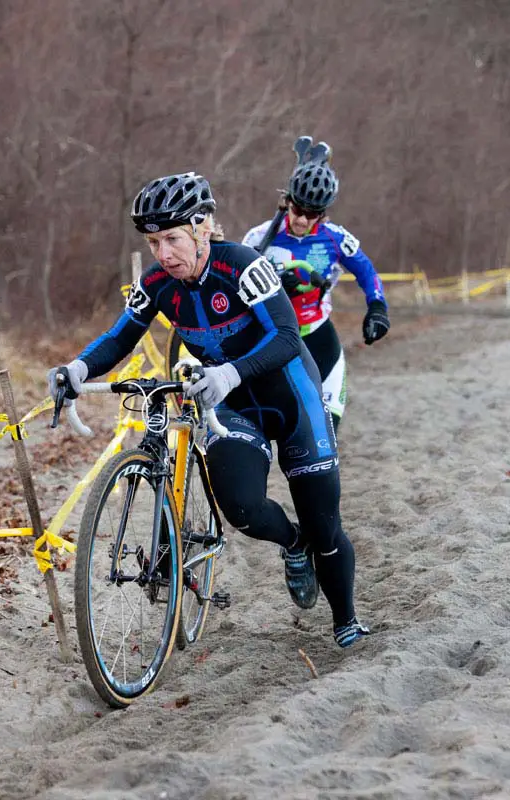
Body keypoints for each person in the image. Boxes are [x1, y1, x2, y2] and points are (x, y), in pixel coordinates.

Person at [48, 172, 369, 648]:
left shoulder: (243, 265)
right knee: (241, 507)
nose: (163, 253)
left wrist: (230, 372)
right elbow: (119, 337)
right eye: (154, 242)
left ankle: (345, 619)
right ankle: (292, 543)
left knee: (325, 525)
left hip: (292, 400)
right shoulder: (157, 282)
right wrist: (77, 367)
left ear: (203, 227)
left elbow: (286, 336)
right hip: (234, 406)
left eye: (172, 239)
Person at [242, 152, 390, 432]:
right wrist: (272, 288)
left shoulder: (335, 238)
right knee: (269, 427)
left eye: (311, 214)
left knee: (327, 427)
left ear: (322, 214)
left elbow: (367, 273)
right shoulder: (258, 238)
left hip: (318, 335)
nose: (301, 219)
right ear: (288, 203)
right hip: (272, 337)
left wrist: (377, 308)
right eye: (298, 210)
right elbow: (236, 288)